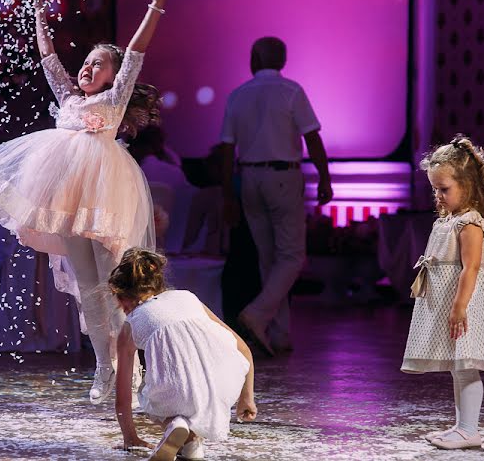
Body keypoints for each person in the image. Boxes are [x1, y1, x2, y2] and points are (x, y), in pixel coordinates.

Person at [0, 0, 175, 404]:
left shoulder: (112, 100)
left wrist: (157, 2)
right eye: (88, 60)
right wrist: (39, 18)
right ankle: (102, 367)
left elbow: (135, 51)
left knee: (114, 287)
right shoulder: (70, 99)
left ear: (114, 77)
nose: (88, 67)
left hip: (105, 197)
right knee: (89, 291)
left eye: (99, 63)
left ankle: (128, 371)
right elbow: (49, 62)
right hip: (71, 202)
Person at [219, 36, 333, 355]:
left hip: (249, 178)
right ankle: (257, 315)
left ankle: (280, 333)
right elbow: (312, 137)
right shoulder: (291, 91)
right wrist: (325, 177)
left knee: (269, 258)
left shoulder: (238, 95)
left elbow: (227, 148)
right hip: (283, 176)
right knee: (293, 256)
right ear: (281, 61)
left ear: (254, 59)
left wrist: (229, 194)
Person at [109, 248, 256, 461]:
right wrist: (246, 397)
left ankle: (174, 424)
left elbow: (123, 397)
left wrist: (130, 437)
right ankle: (191, 445)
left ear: (123, 296)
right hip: (219, 383)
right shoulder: (187, 297)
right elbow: (241, 347)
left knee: (146, 393)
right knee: (192, 400)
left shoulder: (130, 325)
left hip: (177, 391)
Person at [401, 135, 484, 450]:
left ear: (467, 185)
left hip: (466, 304)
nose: (439, 196)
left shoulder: (470, 222)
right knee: (458, 368)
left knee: (466, 366)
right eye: (435, 189)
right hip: (451, 303)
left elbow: (470, 268)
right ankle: (461, 427)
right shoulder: (449, 219)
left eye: (444, 189)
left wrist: (459, 307)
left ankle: (470, 429)